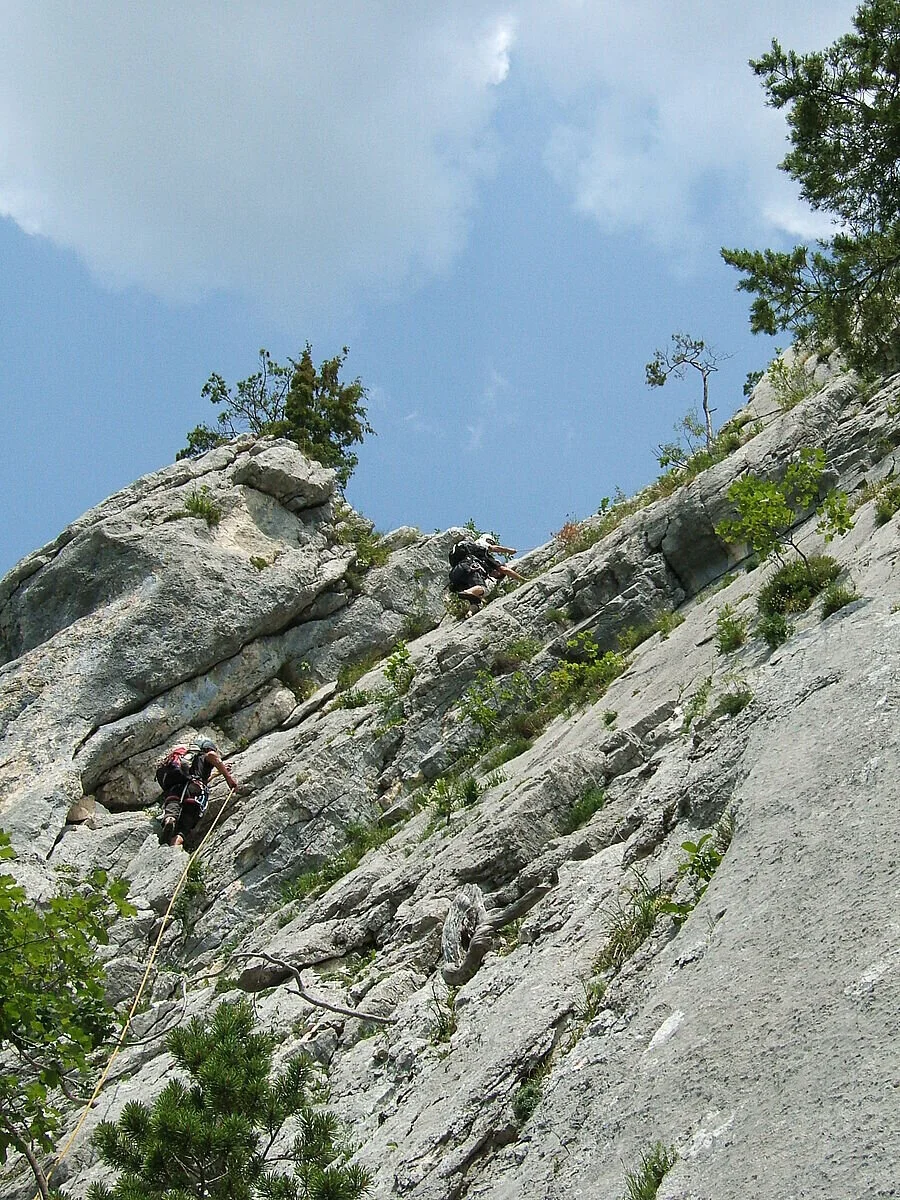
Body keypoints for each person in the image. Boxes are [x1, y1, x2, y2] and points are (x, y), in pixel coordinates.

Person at [159, 738, 239, 848]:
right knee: (186, 823)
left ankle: (170, 820)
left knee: (172, 809)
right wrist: (229, 779)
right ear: (207, 748)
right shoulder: (205, 755)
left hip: (176, 788)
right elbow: (213, 757)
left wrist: (216, 774)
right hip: (194, 790)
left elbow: (202, 777)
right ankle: (175, 843)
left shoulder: (186, 761)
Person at [448, 532, 526, 616]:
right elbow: (503, 568)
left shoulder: (472, 553)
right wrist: (523, 580)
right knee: (484, 589)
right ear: (488, 540)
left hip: (455, 575)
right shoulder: (482, 548)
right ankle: (467, 592)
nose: (497, 575)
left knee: (476, 599)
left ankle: (469, 613)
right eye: (499, 574)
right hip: (469, 568)